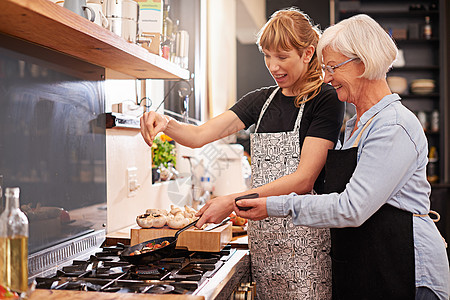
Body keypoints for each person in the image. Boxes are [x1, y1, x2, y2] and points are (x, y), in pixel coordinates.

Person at [234, 14, 450, 300]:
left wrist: (273, 205)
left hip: (409, 272)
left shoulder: (393, 126)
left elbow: (352, 207)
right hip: (373, 265)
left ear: (363, 62)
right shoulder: (354, 125)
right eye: (325, 68)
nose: (326, 77)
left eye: (333, 67)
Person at [141, 8, 344, 299]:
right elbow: (199, 136)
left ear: (308, 53)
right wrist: (165, 123)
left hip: (306, 245)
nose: (273, 66)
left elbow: (303, 181)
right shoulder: (260, 102)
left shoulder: (325, 99)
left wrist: (232, 201)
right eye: (267, 56)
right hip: (263, 243)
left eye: (282, 57)